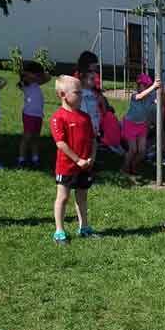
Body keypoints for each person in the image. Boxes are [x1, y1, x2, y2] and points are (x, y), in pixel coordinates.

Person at [50, 75, 98, 245]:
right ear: (63, 94)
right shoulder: (58, 117)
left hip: (84, 166)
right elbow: (61, 143)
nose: (81, 96)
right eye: (78, 92)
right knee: (62, 198)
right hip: (66, 167)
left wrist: (91, 156)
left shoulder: (85, 117)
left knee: (82, 197)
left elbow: (93, 139)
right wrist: (77, 159)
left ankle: (84, 227)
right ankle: (59, 231)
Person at [121, 73, 160, 175]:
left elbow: (159, 100)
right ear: (138, 85)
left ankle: (133, 166)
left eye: (147, 85)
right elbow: (140, 97)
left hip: (142, 125)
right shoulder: (135, 95)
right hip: (130, 124)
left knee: (142, 151)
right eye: (144, 85)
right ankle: (125, 168)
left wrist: (160, 91)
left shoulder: (151, 95)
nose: (146, 87)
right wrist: (153, 87)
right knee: (133, 150)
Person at [18, 61, 50, 168]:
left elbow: (48, 77)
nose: (36, 75)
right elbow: (26, 78)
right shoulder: (24, 83)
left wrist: (39, 72)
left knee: (36, 137)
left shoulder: (36, 82)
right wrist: (29, 73)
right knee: (27, 137)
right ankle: (21, 159)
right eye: (33, 73)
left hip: (38, 115)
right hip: (29, 115)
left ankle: (35, 158)